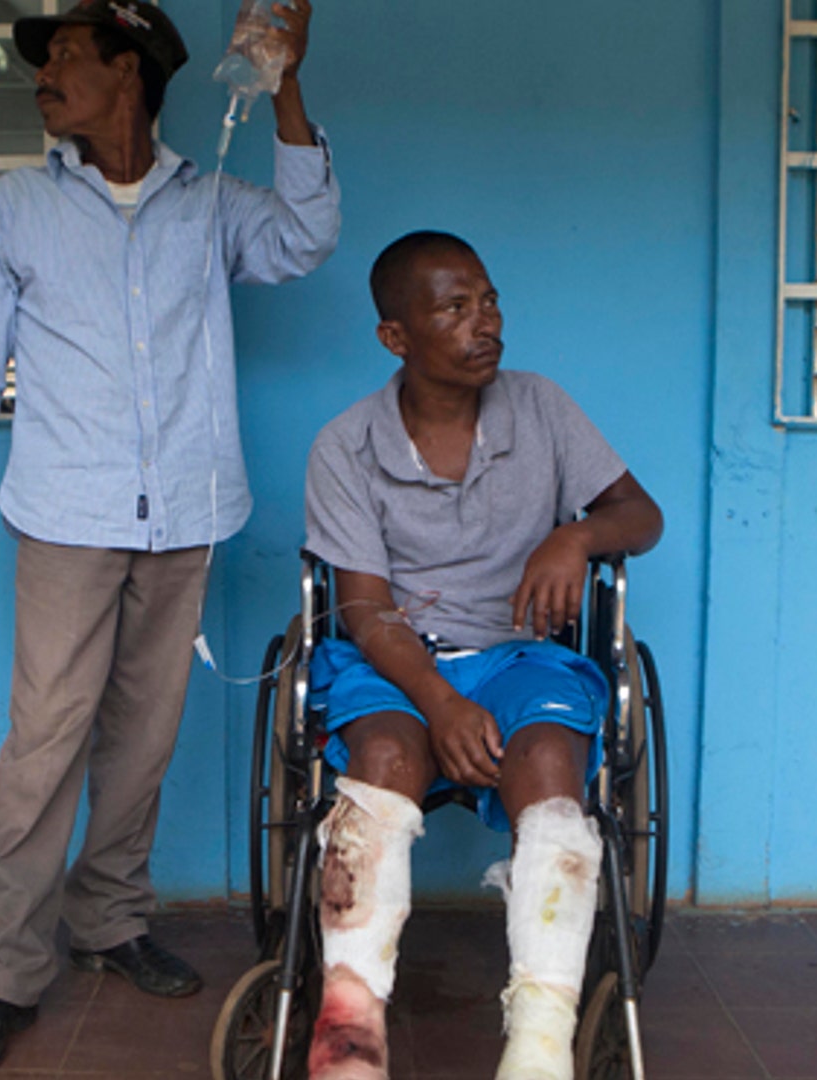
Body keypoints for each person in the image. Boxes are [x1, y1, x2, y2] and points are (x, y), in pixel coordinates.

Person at [0, 1, 339, 1074]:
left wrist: (285, 81)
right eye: (45, 61)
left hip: (189, 512)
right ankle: (4, 970)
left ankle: (108, 920)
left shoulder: (208, 204)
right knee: (46, 740)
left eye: (67, 57)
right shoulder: (19, 206)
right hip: (65, 511)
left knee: (144, 738)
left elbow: (305, 238)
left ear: (133, 75)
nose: (45, 77)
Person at [300, 231, 663, 1080]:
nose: (485, 323)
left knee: (549, 766)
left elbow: (641, 518)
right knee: (384, 754)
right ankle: (350, 1038)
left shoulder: (539, 408)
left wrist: (576, 535)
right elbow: (362, 607)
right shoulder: (345, 447)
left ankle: (539, 1046)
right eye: (455, 308)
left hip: (515, 653)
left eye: (489, 300)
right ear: (397, 337)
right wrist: (441, 701)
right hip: (395, 661)